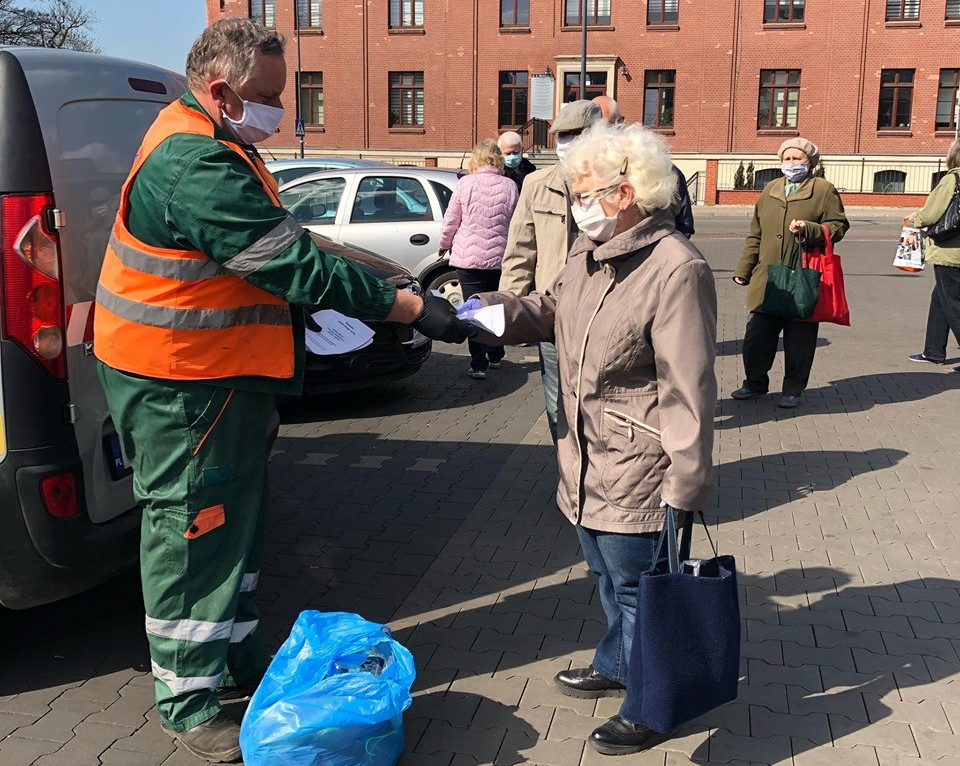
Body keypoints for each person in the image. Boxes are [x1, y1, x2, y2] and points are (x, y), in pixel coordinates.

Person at [92, 19, 467, 763]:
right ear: (223, 89)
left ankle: (232, 658)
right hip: (181, 382)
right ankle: (188, 699)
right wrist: (412, 308)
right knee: (192, 531)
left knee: (232, 525)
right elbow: (290, 266)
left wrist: (382, 272)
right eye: (267, 96)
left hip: (219, 377)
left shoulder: (223, 142)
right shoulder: (195, 159)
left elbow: (288, 238)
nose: (278, 112)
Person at [463, 121, 717, 755]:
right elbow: (549, 309)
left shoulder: (675, 269)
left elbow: (688, 388)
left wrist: (687, 480)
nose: (575, 204)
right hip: (583, 453)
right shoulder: (587, 253)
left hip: (637, 461)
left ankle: (651, 703)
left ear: (626, 193)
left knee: (640, 589)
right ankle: (617, 662)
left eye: (585, 192)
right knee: (606, 574)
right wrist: (479, 313)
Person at [499, 99, 603, 441]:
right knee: (558, 403)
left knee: (601, 401)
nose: (566, 143)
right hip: (553, 313)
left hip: (605, 313)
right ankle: (568, 472)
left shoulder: (619, 183)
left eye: (575, 134)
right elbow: (519, 252)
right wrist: (507, 313)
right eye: (561, 136)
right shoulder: (536, 184)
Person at [731, 137, 849, 408]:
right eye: (787, 158)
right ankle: (754, 383)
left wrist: (811, 229)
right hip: (767, 277)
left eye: (798, 158)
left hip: (802, 276)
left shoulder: (823, 189)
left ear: (810, 162)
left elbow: (839, 225)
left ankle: (793, 389)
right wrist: (744, 268)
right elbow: (755, 234)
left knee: (799, 340)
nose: (792, 163)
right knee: (757, 336)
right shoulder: (771, 188)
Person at [438, 139, 519, 378]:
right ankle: (496, 353)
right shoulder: (510, 186)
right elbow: (516, 223)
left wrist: (443, 245)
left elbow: (451, 220)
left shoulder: (465, 184)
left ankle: (478, 363)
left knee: (472, 308)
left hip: (468, 258)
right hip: (499, 257)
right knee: (495, 304)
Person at [592, 95, 695, 238]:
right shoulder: (586, 171)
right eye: (591, 127)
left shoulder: (658, 167)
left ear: (620, 122)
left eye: (603, 125)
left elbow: (684, 224)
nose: (596, 133)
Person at [905, 139, 960, 369]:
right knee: (940, 300)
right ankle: (933, 350)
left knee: (954, 305)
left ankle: (934, 351)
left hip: (950, 252)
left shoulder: (953, 178)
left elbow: (932, 212)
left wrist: (915, 219)